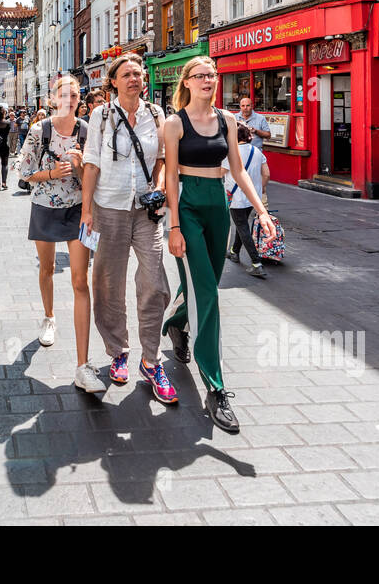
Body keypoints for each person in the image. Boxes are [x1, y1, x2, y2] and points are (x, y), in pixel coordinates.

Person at [160, 56, 276, 434]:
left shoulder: (227, 120)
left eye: (212, 74)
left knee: (204, 280)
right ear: (187, 82)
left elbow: (239, 171)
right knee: (208, 293)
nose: (208, 80)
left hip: (217, 202)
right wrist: (174, 226)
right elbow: (171, 177)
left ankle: (178, 323)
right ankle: (216, 386)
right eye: (201, 75)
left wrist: (262, 212)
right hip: (187, 205)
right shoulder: (175, 123)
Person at [80, 53, 175, 403]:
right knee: (108, 282)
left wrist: (160, 187)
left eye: (138, 73)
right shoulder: (100, 115)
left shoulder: (155, 114)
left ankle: (152, 360)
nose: (135, 78)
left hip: (146, 212)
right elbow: (91, 163)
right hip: (109, 208)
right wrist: (87, 210)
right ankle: (118, 350)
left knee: (153, 281)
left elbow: (162, 157)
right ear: (113, 82)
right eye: (127, 74)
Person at [18, 75, 103, 393]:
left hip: (79, 211)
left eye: (74, 94)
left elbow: (94, 177)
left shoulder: (87, 129)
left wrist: (80, 168)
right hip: (44, 206)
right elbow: (24, 172)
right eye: (62, 94)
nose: (69, 98)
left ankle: (82, 365)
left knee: (81, 281)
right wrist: (53, 172)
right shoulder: (41, 130)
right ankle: (49, 316)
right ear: (52, 99)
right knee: (47, 267)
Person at [225, 123, 271, 275]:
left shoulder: (231, 152)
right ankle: (234, 252)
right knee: (242, 224)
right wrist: (262, 188)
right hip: (253, 197)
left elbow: (220, 172)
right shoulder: (257, 151)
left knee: (243, 227)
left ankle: (256, 263)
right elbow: (266, 174)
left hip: (236, 197)